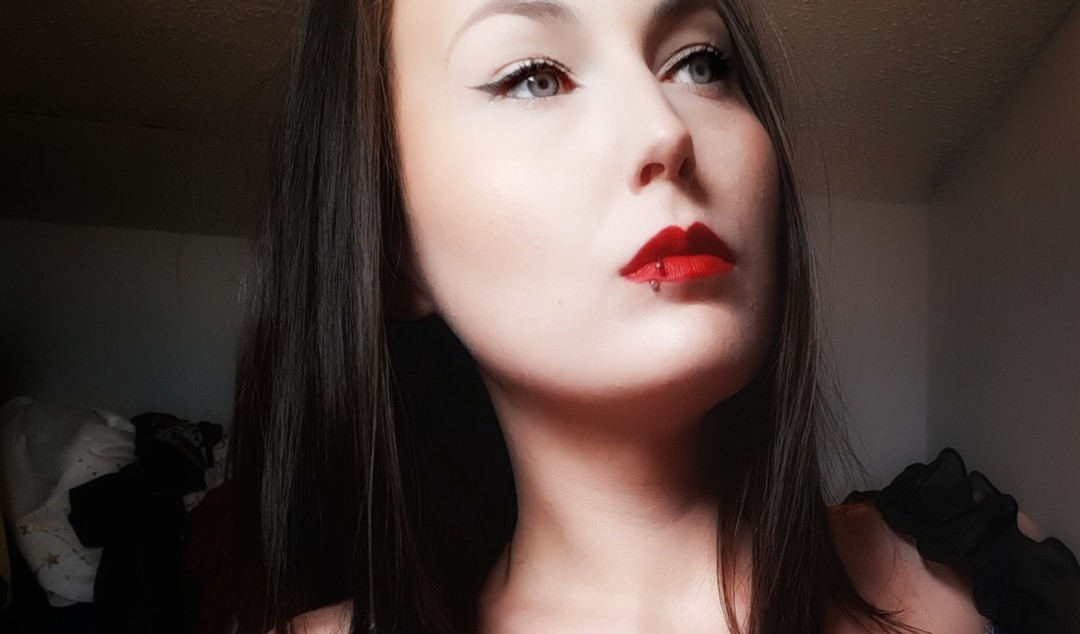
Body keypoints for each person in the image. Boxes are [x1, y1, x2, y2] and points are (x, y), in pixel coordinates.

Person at [214, 0, 1080, 632]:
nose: (665, 130)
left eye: (699, 63)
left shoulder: (980, 572)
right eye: (534, 76)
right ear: (391, 240)